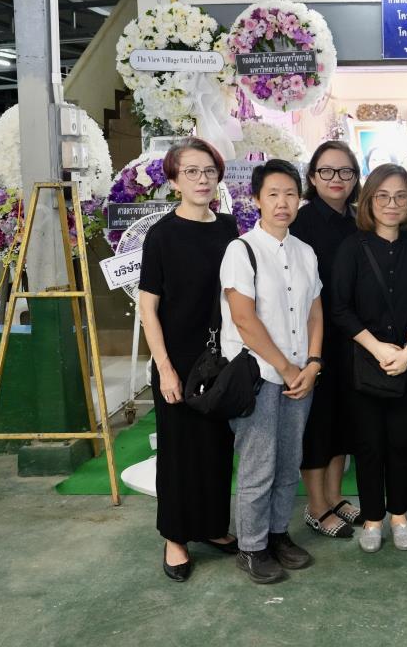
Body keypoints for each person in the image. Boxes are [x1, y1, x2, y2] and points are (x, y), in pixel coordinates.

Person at [139, 137, 240, 583]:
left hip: (221, 356)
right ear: (174, 181)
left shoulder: (229, 229)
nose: (202, 179)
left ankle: (212, 525)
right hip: (177, 358)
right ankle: (176, 537)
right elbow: (148, 308)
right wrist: (164, 368)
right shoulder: (162, 235)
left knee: (217, 446)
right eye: (192, 172)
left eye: (209, 171)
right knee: (179, 451)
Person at [221, 159, 323, 585]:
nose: (283, 203)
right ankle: (251, 546)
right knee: (258, 464)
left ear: (300, 199)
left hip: (301, 375)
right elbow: (243, 319)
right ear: (256, 199)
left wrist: (313, 363)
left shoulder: (305, 252)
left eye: (290, 194)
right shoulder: (241, 250)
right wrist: (286, 367)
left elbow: (315, 310)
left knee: (289, 461)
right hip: (259, 375)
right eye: (273, 194)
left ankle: (278, 534)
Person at [330, 164, 407, 553]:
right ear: (369, 200)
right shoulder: (351, 247)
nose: (392, 204)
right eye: (383, 196)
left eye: (400, 196)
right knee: (369, 444)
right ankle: (373, 519)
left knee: (404, 442)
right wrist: (376, 348)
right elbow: (340, 308)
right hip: (363, 361)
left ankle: (400, 515)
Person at [291, 141, 362, 540]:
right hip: (313, 338)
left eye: (345, 171)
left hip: (353, 337)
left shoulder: (360, 219)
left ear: (355, 177)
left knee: (345, 421)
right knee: (317, 424)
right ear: (312, 177)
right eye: (327, 171)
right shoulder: (300, 223)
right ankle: (316, 506)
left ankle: (335, 496)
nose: (337, 179)